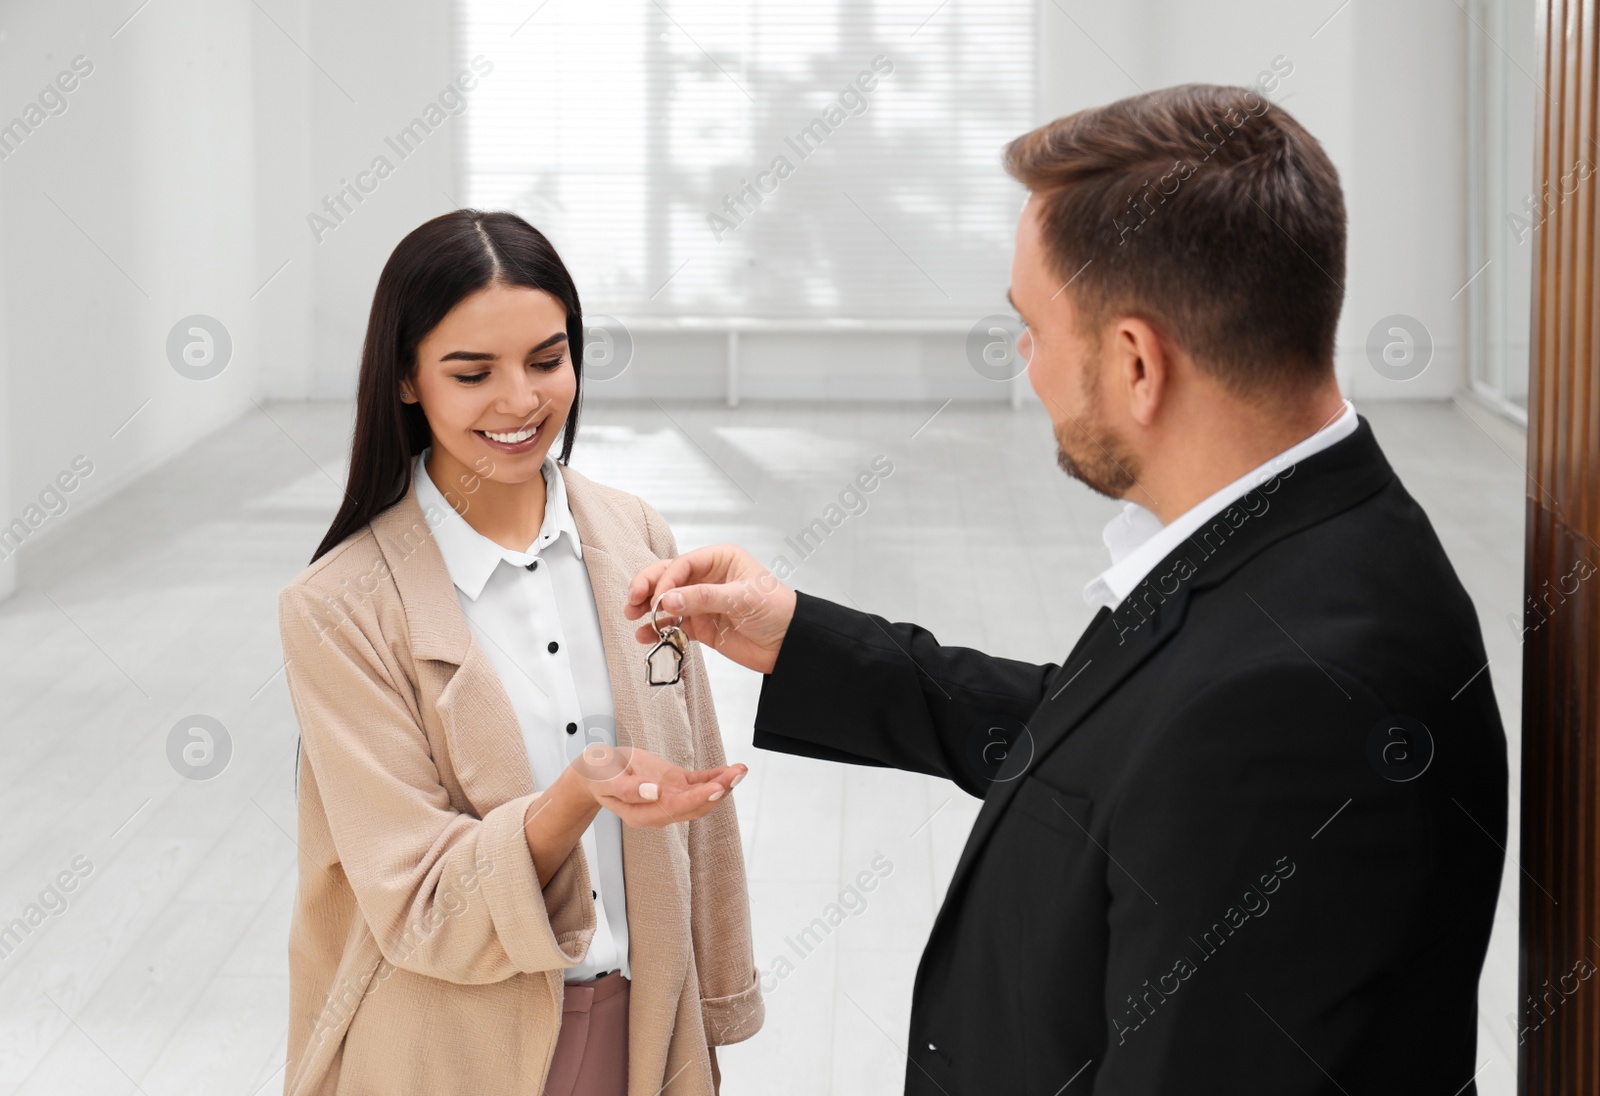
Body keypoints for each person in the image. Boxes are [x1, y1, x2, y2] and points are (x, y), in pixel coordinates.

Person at [626, 85, 1508, 1094]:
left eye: (1033, 328)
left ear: (1135, 361)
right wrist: (806, 638)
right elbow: (1121, 751)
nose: (1026, 364)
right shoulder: (1298, 536)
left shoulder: (1295, 704)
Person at [276, 209, 762, 1096]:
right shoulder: (337, 609)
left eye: (548, 359)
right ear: (406, 380)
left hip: (646, 1030)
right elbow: (418, 900)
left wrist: (716, 1004)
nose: (522, 401)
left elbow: (702, 801)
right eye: (473, 373)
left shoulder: (638, 532)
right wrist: (575, 799)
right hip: (447, 1050)